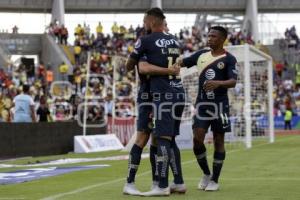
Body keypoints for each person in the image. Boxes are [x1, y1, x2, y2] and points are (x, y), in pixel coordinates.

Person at [123, 10, 183, 196]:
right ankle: (159, 181)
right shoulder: (174, 41)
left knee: (151, 138)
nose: (143, 24)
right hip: (165, 93)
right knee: (157, 139)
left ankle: (145, 182)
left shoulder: (145, 41)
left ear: (150, 21)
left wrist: (136, 64)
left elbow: (134, 66)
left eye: (144, 21)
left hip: (152, 95)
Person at [178, 26, 238, 191]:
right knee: (197, 140)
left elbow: (233, 81)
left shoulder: (229, 59)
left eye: (213, 36)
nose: (209, 38)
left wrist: (218, 83)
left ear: (222, 39)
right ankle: (206, 173)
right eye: (209, 35)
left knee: (219, 140)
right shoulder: (201, 55)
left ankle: (215, 180)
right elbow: (182, 63)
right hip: (202, 106)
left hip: (220, 106)